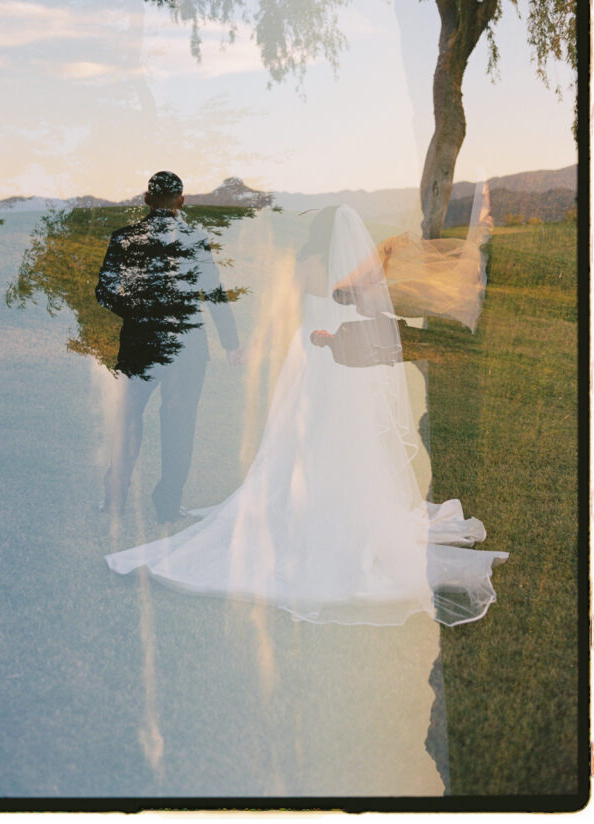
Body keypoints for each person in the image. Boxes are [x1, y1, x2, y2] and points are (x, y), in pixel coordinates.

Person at [105, 204, 508, 627]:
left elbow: (283, 314)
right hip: (347, 355)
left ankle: (300, 506)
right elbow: (374, 314)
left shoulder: (308, 262)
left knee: (301, 434)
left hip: (311, 356)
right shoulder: (360, 267)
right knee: (348, 437)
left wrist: (250, 348)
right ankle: (348, 510)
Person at [96, 170, 241, 522]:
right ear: (181, 200)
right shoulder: (195, 239)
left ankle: (114, 500)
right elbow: (215, 292)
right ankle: (168, 506)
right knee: (179, 424)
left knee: (128, 420)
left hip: (139, 344)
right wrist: (231, 342)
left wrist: (139, 312)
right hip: (187, 346)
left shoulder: (125, 238)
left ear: (146, 200)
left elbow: (104, 293)